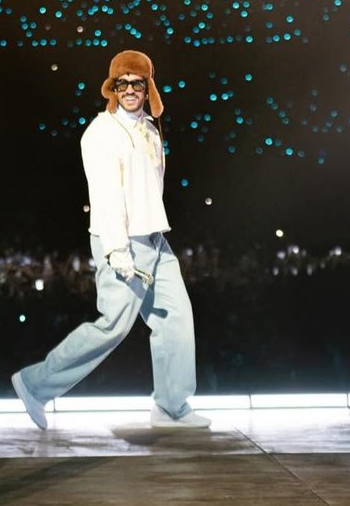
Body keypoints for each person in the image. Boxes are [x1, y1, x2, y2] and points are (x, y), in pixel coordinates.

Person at [11, 50, 210, 430]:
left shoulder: (151, 129)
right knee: (112, 327)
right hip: (122, 243)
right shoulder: (100, 133)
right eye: (123, 84)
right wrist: (117, 250)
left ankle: (171, 407)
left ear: (148, 87)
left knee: (176, 320)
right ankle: (35, 385)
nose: (131, 90)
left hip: (154, 239)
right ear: (112, 88)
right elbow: (105, 194)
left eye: (138, 83)